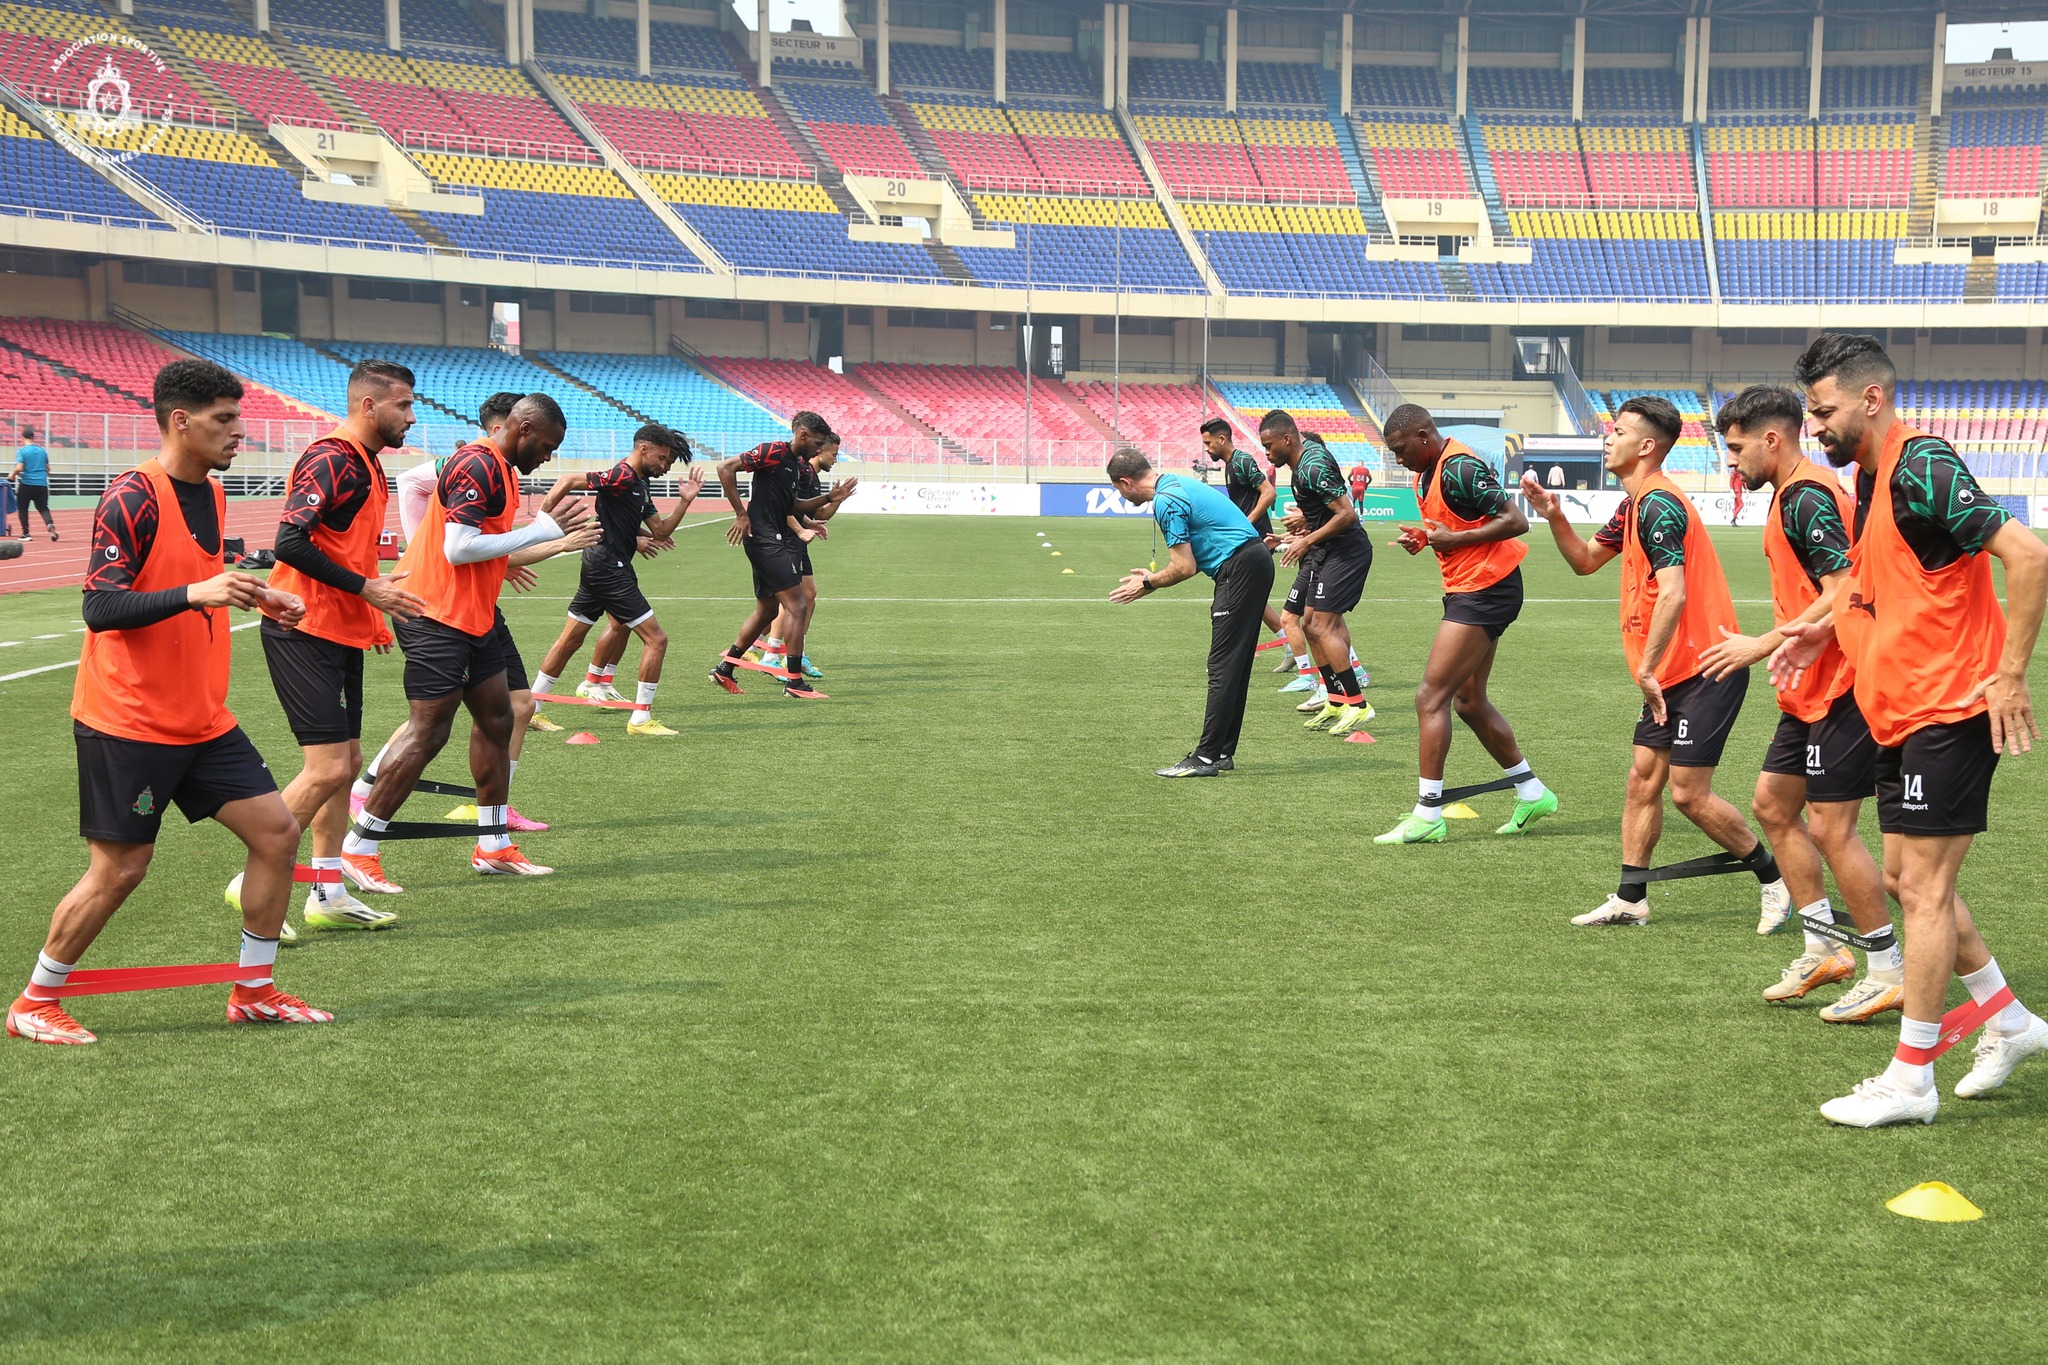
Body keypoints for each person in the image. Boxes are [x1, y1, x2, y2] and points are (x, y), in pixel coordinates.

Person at [7, 360, 329, 1045]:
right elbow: (100, 606)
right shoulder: (132, 496)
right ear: (179, 420)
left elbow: (201, 577)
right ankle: (36, 1000)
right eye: (224, 419)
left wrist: (261, 591)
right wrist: (196, 594)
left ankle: (255, 990)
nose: (239, 432)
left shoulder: (209, 495)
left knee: (276, 833)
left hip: (202, 716)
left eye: (239, 417)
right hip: (128, 718)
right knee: (122, 867)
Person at [1773, 334, 2048, 1128]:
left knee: (1924, 889)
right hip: (1900, 710)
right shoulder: (1870, 474)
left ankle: (1910, 1077)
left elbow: (2026, 556)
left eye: (1823, 411)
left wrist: (2010, 672)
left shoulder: (1922, 461)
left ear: (1871, 398)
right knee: (1906, 881)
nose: (1815, 426)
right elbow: (1872, 577)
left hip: (1951, 708)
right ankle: (2012, 1022)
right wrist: (1821, 629)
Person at [1519, 395, 1790, 929]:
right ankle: (1630, 897)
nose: (1607, 438)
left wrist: (1645, 667)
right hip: (1670, 673)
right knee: (1643, 781)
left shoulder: (1660, 503)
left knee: (1689, 793)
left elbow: (1674, 593)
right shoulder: (1634, 504)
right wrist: (1553, 516)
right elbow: (1584, 562)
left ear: (1645, 446)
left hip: (1706, 667)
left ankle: (1777, 880)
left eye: (1617, 431)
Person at [1698, 385, 1904, 1021]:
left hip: (1845, 685)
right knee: (1772, 806)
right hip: (1807, 691)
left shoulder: (1809, 494)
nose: (1731, 464)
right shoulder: (1792, 495)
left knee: (1830, 827)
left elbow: (1843, 588)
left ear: (1771, 439)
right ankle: (1825, 948)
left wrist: (1763, 644)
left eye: (1735, 451)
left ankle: (1886, 966)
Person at [342, 394, 590, 887]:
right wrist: (538, 531)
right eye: (546, 444)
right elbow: (458, 549)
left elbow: (479, 548)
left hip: (471, 617)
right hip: (434, 614)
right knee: (428, 731)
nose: (548, 456)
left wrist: (538, 540)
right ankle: (359, 846)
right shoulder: (478, 462)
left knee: (498, 719)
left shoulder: (499, 466)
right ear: (522, 428)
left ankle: (493, 846)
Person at [263, 360, 428, 935]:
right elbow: (290, 541)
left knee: (345, 766)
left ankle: (327, 892)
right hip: (299, 625)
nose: (411, 416)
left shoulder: (369, 465)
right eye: (403, 405)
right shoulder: (332, 456)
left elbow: (348, 551)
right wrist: (369, 591)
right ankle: (255, 879)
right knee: (328, 766)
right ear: (368, 406)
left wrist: (369, 611)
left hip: (337, 627)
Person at [1374, 404, 1556, 844]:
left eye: (1401, 450)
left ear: (1423, 435)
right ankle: (1532, 792)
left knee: (1429, 697)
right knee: (1469, 701)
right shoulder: (1429, 471)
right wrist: (1426, 537)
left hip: (1486, 590)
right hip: (1470, 587)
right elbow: (1456, 523)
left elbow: (1516, 521)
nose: (1399, 460)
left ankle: (1428, 812)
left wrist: (1452, 539)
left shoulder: (1460, 467)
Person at [1107, 449, 1274, 776]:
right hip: (1253, 561)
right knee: (1234, 665)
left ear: (1125, 483)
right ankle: (1222, 753)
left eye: (1118, 489)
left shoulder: (1165, 501)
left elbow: (1184, 566)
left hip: (1240, 568)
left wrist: (1148, 582)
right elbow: (1203, 548)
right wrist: (1152, 578)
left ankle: (1206, 757)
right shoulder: (1174, 484)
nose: (1121, 495)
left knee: (1223, 665)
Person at [530, 424, 703, 737]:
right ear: (643, 449)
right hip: (609, 567)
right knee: (656, 639)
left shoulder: (639, 485)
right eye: (662, 458)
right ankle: (640, 719)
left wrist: (685, 500)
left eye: (669, 461)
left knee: (571, 639)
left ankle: (532, 708)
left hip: (602, 564)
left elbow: (661, 531)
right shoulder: (622, 475)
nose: (664, 466)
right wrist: (541, 520)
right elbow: (569, 479)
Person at [708, 411, 850, 700]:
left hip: (770, 538)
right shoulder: (772, 450)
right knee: (797, 606)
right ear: (803, 436)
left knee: (768, 610)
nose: (820, 449)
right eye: (818, 443)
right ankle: (794, 682)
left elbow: (792, 505)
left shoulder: (796, 465)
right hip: (765, 539)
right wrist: (740, 513)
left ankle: (725, 668)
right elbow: (726, 468)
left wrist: (828, 499)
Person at [1262, 411, 1373, 736]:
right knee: (1309, 624)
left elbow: (1347, 514)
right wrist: (1295, 532)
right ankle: (1336, 700)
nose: (1267, 454)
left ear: (1287, 439)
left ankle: (1358, 705)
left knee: (1322, 625)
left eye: (1269, 446)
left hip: (1346, 552)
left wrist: (1305, 539)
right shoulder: (1301, 466)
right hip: (1327, 551)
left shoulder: (1311, 465)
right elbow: (1324, 514)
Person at [760, 432, 858, 681]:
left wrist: (835, 503)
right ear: (819, 451)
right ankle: (772, 654)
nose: (836, 459)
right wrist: (800, 529)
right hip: (785, 539)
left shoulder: (812, 476)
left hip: (796, 540)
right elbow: (784, 506)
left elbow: (820, 512)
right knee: (792, 598)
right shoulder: (800, 472)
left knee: (807, 594)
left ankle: (791, 653)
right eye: (833, 454)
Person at [1201, 418, 1289, 656]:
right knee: (1252, 597)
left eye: (1209, 443)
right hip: (1245, 538)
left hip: (1254, 539)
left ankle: (1241, 644)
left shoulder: (1242, 461)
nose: (1207, 449)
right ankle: (1289, 645)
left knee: (1241, 592)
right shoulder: (1231, 465)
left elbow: (1269, 493)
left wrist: (1245, 524)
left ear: (1222, 439)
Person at [12, 425, 55, 541]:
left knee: (23, 509)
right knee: (43, 507)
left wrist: (11, 475)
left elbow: (19, 467)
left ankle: (26, 533)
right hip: (41, 484)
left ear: (22, 438)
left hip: (27, 484)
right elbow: (48, 468)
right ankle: (49, 524)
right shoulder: (42, 451)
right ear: (33, 438)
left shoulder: (22, 451)